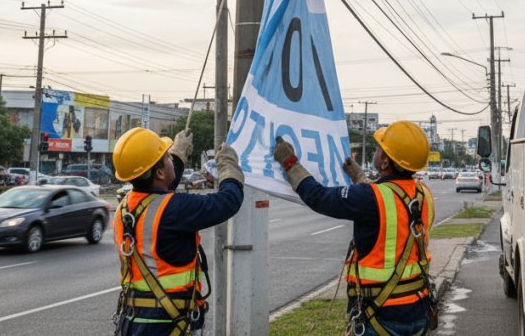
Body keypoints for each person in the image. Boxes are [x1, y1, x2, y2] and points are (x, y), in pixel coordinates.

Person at [273, 121, 436, 336]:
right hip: (418, 309)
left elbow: (319, 197)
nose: (375, 151)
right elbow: (392, 198)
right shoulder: (424, 193)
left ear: (385, 162)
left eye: (379, 149)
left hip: (380, 315)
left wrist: (290, 163)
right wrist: (359, 177)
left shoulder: (369, 198)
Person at [112, 127, 244, 335]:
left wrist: (178, 156)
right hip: (167, 323)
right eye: (166, 157)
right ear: (159, 172)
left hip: (135, 320)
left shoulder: (125, 207)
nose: (170, 158)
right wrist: (228, 167)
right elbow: (227, 202)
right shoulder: (174, 209)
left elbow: (159, 190)